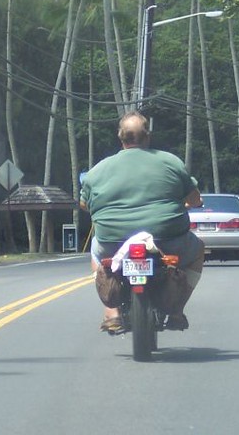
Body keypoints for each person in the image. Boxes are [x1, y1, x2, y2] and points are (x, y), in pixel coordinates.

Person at [80, 111, 205, 333]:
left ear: (121, 138)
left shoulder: (97, 170)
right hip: (167, 240)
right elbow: (194, 199)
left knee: (97, 254)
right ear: (148, 136)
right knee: (197, 251)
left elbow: (85, 205)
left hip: (113, 241)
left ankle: (111, 312)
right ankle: (176, 311)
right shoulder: (170, 162)